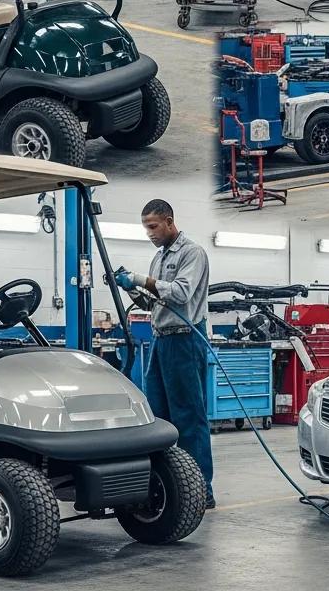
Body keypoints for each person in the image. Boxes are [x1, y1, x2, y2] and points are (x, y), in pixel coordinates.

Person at [115, 198, 215, 509]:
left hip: (186, 340)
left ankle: (201, 490)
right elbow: (152, 303)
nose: (150, 233)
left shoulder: (192, 253)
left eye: (154, 226)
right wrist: (130, 289)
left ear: (169, 222)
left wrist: (140, 279)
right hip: (161, 341)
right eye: (146, 228)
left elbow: (182, 292)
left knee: (188, 417)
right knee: (158, 416)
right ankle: (171, 483)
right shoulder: (158, 259)